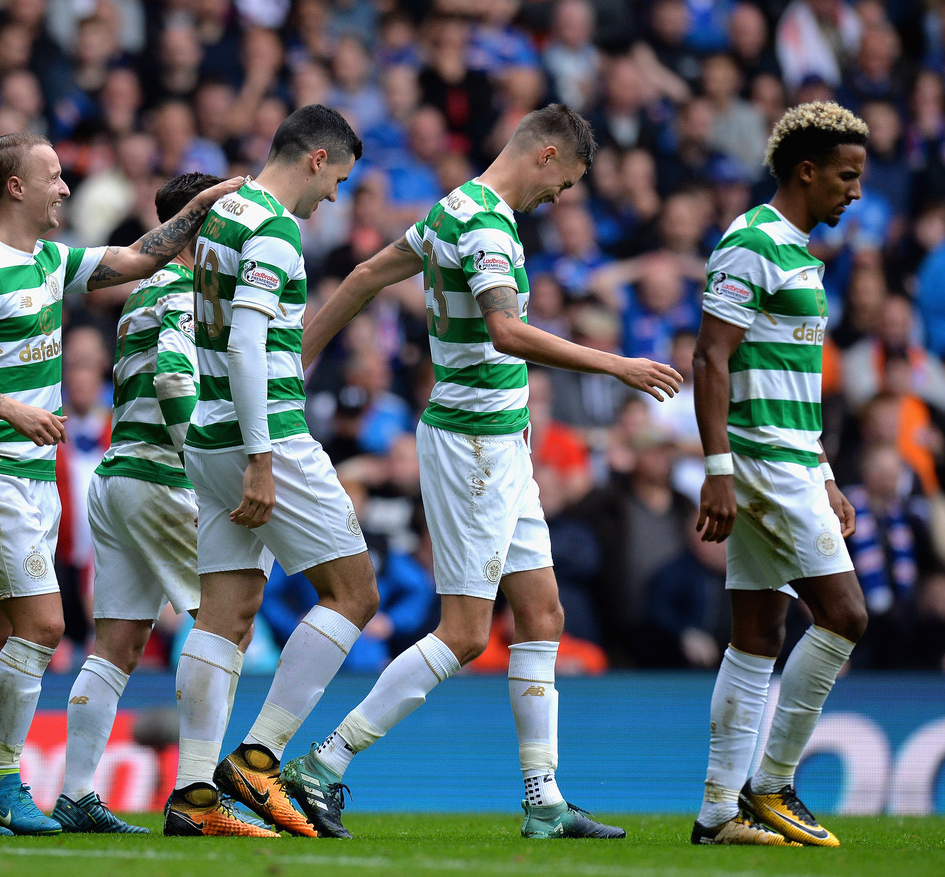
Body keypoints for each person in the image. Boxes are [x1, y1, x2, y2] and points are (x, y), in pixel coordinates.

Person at [290, 104, 681, 840]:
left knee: (542, 615)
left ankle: (543, 798)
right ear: (546, 153)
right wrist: (615, 362)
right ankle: (323, 761)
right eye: (563, 182)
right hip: (472, 446)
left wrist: (297, 360)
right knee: (467, 632)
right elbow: (503, 327)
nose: (559, 198)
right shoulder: (485, 224)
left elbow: (370, 273)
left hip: (505, 442)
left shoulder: (454, 207)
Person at [0, 131, 242, 837]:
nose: (66, 188)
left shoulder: (47, 261)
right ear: (16, 187)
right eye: (56, 176)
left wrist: (212, 200)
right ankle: (4, 783)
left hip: (26, 475)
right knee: (43, 625)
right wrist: (10, 406)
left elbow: (136, 256)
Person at [165, 104, 380, 839]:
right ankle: (261, 757)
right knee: (353, 592)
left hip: (207, 431)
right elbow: (251, 344)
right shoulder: (274, 228)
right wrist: (263, 457)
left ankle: (193, 795)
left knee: (224, 610)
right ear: (316, 158)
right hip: (268, 438)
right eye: (339, 179)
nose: (334, 197)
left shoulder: (222, 216)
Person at [690, 101, 870, 847]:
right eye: (845, 176)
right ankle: (770, 786)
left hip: (793, 459)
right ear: (806, 170)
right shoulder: (752, 243)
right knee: (846, 615)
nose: (854, 192)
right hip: (761, 463)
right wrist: (717, 470)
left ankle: (717, 812)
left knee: (758, 633)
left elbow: (788, 377)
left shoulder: (798, 254)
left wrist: (824, 469)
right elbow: (710, 356)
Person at [52, 172, 223, 836]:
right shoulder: (181, 289)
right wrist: (209, 462)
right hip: (160, 476)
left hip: (117, 481)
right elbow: (176, 379)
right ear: (198, 225)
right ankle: (198, 795)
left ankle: (75, 793)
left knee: (117, 642)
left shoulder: (141, 293)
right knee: (224, 621)